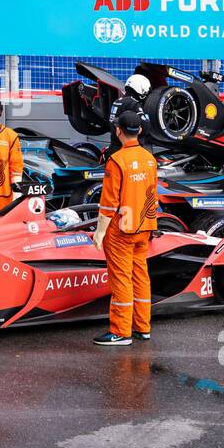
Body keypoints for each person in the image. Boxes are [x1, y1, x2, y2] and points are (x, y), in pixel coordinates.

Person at [93, 109, 158, 346]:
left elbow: (108, 203)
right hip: (144, 226)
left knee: (121, 278)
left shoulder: (116, 161)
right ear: (139, 130)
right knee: (140, 276)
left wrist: (99, 233)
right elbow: (152, 194)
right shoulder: (150, 160)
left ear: (118, 131)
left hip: (122, 230)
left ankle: (121, 331)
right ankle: (142, 327)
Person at [107, 74, 151, 156]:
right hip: (129, 150)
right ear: (141, 88)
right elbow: (145, 127)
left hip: (114, 147)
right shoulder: (133, 104)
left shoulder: (117, 101)